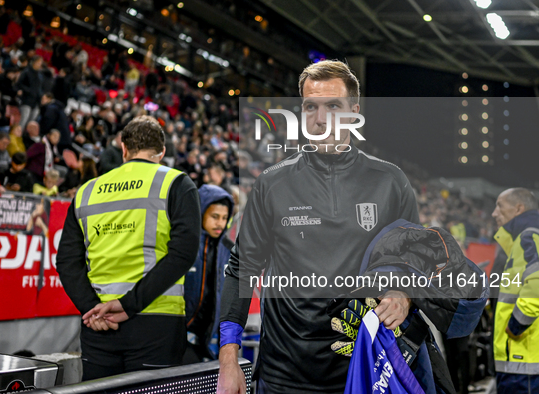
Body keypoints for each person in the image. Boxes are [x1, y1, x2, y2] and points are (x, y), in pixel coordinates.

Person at [217, 60, 420, 393]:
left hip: (366, 371)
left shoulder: (390, 181)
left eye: (333, 107)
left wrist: (404, 295)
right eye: (311, 107)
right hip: (283, 375)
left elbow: (414, 260)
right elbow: (242, 269)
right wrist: (228, 358)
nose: (321, 118)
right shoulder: (271, 184)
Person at [56, 115, 201, 381]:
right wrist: (128, 305)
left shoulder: (87, 190)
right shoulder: (176, 183)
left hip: (99, 323)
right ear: (162, 153)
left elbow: (66, 261)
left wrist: (91, 308)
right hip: (157, 323)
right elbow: (183, 254)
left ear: (124, 149)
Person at [491, 188, 539, 394]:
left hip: (524, 361)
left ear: (518, 208)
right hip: (521, 360)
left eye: (500, 206)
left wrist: (515, 325)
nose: (494, 213)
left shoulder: (528, 236)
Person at [184, 185, 234, 363]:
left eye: (224, 218)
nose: (220, 223)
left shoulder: (229, 250)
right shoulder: (185, 245)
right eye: (214, 217)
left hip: (211, 341)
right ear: (200, 213)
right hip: (180, 339)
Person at [16, 55, 44, 130]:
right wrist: (28, 91)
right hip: (26, 100)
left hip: (36, 101)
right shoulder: (26, 72)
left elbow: (40, 87)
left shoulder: (40, 75)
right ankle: (18, 134)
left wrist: (40, 96)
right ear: (34, 62)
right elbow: (19, 84)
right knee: (24, 120)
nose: (40, 64)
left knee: (31, 123)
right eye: (38, 62)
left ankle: (26, 136)